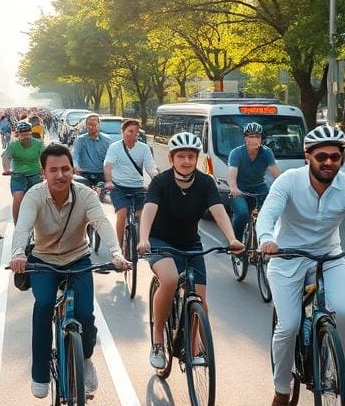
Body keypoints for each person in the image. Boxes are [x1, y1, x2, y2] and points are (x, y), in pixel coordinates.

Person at [258, 125, 345, 406]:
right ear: (308, 157)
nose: (329, 162)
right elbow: (268, 215)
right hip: (287, 256)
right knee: (289, 325)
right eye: (322, 156)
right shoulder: (289, 182)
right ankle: (281, 391)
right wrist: (266, 239)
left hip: (329, 256)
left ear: (342, 157)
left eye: (336, 156)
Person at [10, 144, 129, 397]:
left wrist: (116, 252)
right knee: (43, 306)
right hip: (44, 261)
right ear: (43, 172)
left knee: (86, 313)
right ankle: (40, 374)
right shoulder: (34, 196)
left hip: (78, 258)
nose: (60, 175)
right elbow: (23, 227)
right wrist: (18, 253)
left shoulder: (86, 195)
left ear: (73, 170)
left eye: (66, 169)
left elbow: (101, 223)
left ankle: (85, 359)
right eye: (53, 170)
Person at [139, 132, 242, 369]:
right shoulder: (161, 182)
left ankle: (194, 344)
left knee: (201, 301)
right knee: (171, 279)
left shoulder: (206, 182)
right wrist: (143, 238)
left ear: (197, 158)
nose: (186, 161)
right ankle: (157, 339)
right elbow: (149, 211)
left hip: (190, 243)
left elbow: (218, 211)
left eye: (191, 156)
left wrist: (232, 239)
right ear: (172, 158)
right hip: (159, 241)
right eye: (181, 156)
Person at [104, 118, 157, 252]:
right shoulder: (115, 147)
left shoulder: (144, 148)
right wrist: (109, 181)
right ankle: (119, 247)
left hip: (138, 187)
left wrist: (156, 182)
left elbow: (151, 168)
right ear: (123, 132)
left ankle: (142, 243)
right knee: (122, 213)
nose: (132, 134)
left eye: (135, 132)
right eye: (129, 131)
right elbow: (108, 166)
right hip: (118, 187)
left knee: (143, 214)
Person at [227, 121, 281, 243]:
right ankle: (236, 243)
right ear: (245, 138)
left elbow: (277, 175)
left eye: (257, 136)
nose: (254, 139)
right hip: (240, 190)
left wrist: (284, 189)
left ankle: (266, 242)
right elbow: (232, 175)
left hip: (260, 189)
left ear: (261, 138)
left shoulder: (266, 152)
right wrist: (234, 188)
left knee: (269, 215)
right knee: (242, 214)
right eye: (251, 137)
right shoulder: (236, 153)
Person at [2, 120, 45, 223]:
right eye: (22, 135)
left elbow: (45, 158)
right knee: (18, 198)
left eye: (27, 134)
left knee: (41, 201)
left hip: (35, 176)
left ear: (31, 133)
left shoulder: (39, 144)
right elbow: (6, 157)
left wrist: (44, 170)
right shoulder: (13, 145)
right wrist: (7, 169)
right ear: (18, 134)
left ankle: (41, 225)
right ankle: (17, 225)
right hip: (18, 176)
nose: (25, 137)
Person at [72, 113, 114, 189]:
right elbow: (75, 155)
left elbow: (112, 157)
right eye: (89, 125)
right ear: (86, 126)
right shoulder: (80, 140)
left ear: (99, 125)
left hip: (102, 174)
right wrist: (76, 166)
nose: (91, 127)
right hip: (85, 173)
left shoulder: (107, 140)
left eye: (94, 124)